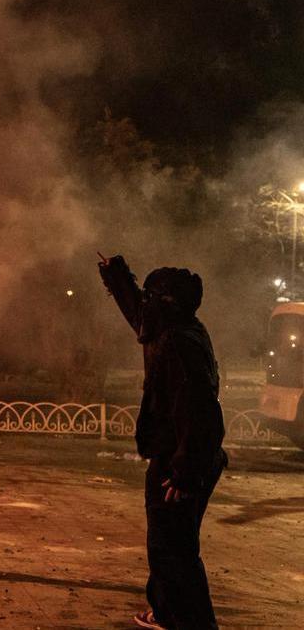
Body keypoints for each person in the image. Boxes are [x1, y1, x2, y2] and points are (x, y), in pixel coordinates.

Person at [98, 255, 227, 630]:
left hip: (182, 461)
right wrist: (117, 276)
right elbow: (135, 311)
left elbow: (199, 412)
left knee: (175, 552)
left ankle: (189, 622)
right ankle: (168, 613)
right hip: (182, 456)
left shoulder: (177, 343)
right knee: (167, 548)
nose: (144, 303)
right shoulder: (170, 326)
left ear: (165, 302)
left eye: (150, 296)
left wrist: (185, 473)